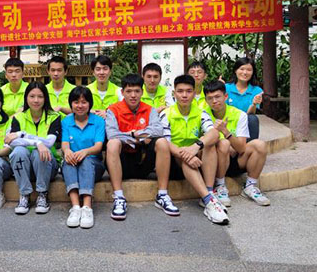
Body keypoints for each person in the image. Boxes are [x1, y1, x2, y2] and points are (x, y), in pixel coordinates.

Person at [105, 74, 178, 221]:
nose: (133, 95)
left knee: (162, 142)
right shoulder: (113, 110)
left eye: (137, 91)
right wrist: (137, 136)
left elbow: (158, 130)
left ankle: (162, 195)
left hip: (144, 161)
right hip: (122, 163)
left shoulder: (150, 110)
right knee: (112, 143)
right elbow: (112, 134)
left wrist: (135, 134)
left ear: (142, 92)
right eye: (129, 91)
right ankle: (119, 197)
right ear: (122, 92)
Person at [160, 75, 228, 225]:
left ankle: (209, 192)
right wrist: (186, 154)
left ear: (194, 93)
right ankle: (209, 200)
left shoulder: (201, 112)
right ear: (174, 93)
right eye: (180, 91)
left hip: (196, 155)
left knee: (210, 143)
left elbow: (214, 133)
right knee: (187, 160)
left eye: (189, 91)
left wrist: (195, 147)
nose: (184, 95)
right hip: (174, 159)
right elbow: (166, 143)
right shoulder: (166, 114)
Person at [204, 81, 270, 206]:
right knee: (223, 144)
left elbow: (241, 149)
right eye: (210, 98)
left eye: (217, 97)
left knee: (260, 145)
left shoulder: (239, 115)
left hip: (236, 160)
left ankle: (250, 186)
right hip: (215, 162)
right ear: (206, 100)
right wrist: (225, 144)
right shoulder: (202, 114)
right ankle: (219, 186)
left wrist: (225, 131)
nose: (214, 101)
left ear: (225, 96)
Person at [6, 82, 61, 215]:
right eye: (32, 96)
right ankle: (24, 194)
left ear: (45, 98)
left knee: (39, 153)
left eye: (40, 96)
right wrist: (37, 143)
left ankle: (42, 194)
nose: (36, 100)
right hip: (24, 167)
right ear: (26, 98)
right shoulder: (18, 117)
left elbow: (49, 142)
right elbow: (11, 142)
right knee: (18, 151)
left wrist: (22, 134)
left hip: (48, 167)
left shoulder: (54, 117)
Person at [61, 86, 105, 229]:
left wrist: (85, 152)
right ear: (71, 104)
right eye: (76, 102)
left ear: (90, 104)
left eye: (84, 102)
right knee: (68, 161)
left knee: (86, 160)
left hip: (94, 165)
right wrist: (67, 151)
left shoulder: (98, 121)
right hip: (73, 164)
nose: (80, 106)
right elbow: (65, 144)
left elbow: (98, 146)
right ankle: (75, 207)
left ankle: (87, 207)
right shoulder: (66, 121)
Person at [225, 57, 263, 140]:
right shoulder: (226, 88)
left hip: (245, 123)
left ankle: (250, 146)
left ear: (253, 72)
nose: (245, 73)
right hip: (228, 122)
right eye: (241, 69)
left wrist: (254, 104)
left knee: (252, 119)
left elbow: (250, 114)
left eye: (249, 70)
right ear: (235, 70)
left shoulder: (257, 90)